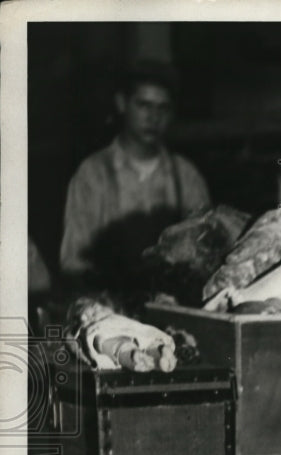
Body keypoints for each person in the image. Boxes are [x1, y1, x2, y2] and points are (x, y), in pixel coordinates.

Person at [60, 60, 210, 297]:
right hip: (110, 308)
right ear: (122, 104)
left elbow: (205, 255)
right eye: (144, 105)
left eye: (163, 108)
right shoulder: (92, 174)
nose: (153, 117)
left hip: (172, 308)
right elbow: (74, 262)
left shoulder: (186, 177)